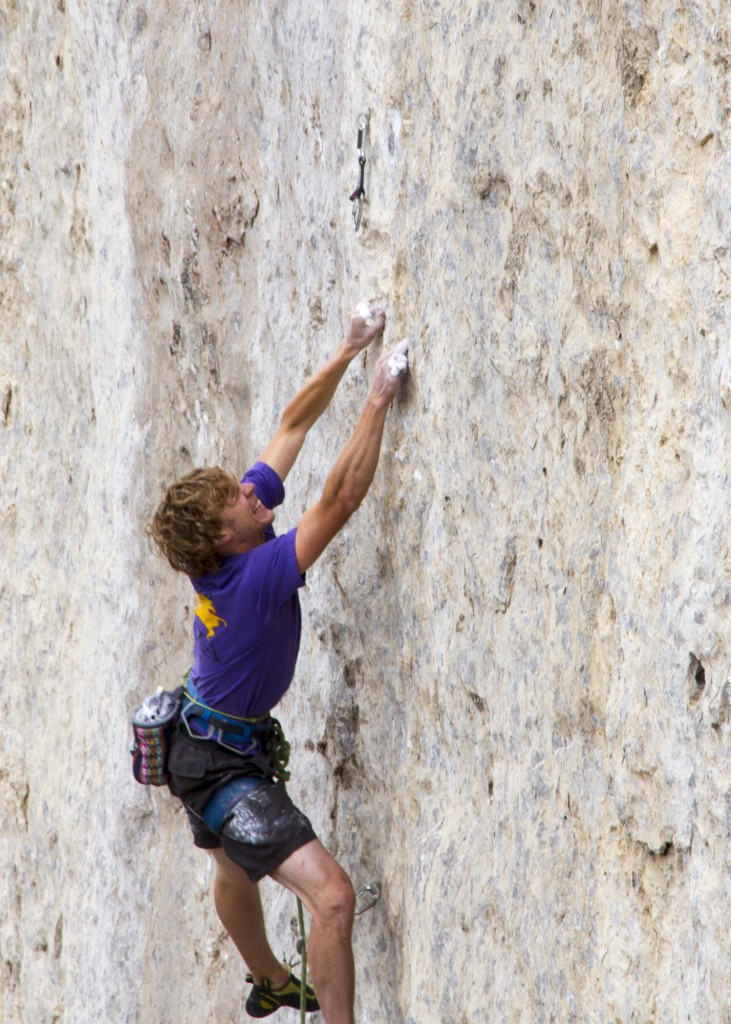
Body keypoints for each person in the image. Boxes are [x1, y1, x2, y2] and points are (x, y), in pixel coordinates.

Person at [147, 303, 408, 1024]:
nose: (252, 492)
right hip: (222, 763)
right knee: (331, 897)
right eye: (239, 498)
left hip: (198, 746)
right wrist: (377, 396)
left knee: (232, 862)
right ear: (227, 537)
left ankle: (267, 978)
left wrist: (348, 348)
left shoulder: (228, 547)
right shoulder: (257, 580)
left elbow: (291, 426)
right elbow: (342, 497)